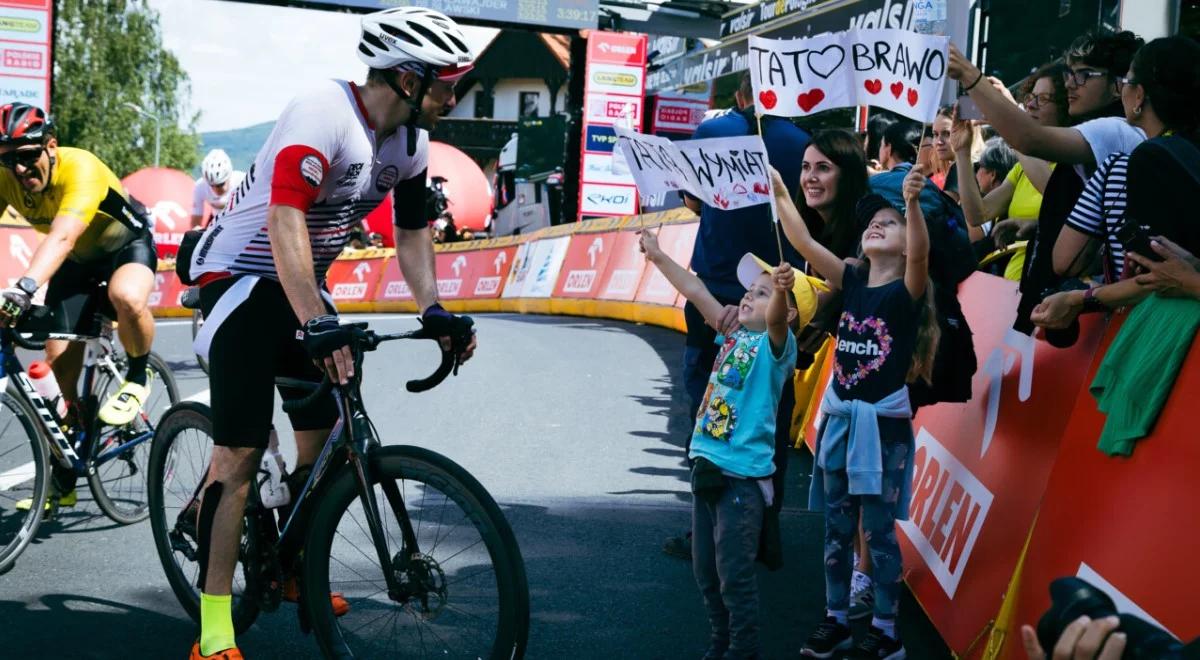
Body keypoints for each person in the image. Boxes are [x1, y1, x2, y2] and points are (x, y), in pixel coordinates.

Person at [180, 8, 478, 659]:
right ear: (405, 77)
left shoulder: (410, 144)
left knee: (332, 428)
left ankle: (290, 567)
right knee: (240, 457)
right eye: (446, 83)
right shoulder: (324, 112)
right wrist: (318, 320)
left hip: (296, 287)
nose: (454, 97)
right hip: (235, 279)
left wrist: (433, 310)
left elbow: (410, 233)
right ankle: (214, 631)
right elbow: (286, 221)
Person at [775, 162, 937, 659]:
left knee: (879, 531)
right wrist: (779, 191)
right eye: (873, 220)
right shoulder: (850, 279)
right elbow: (802, 241)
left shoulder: (907, 290)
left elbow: (923, 254)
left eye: (890, 223)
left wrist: (911, 202)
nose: (876, 224)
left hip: (883, 430)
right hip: (842, 422)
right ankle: (837, 618)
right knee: (836, 530)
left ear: (908, 243)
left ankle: (886, 629)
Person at [640, 225, 807, 660]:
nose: (749, 296)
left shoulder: (778, 349)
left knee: (735, 575)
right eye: (750, 289)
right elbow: (696, 289)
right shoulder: (732, 334)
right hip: (707, 471)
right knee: (705, 572)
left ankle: (743, 649)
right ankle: (720, 641)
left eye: (763, 293)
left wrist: (784, 292)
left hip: (743, 484)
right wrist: (657, 256)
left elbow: (776, 320)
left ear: (788, 314)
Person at [664, 71, 810, 561]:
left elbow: (690, 200)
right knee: (771, 411)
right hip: (777, 295)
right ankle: (764, 529)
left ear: (744, 96)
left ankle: (705, 528)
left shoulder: (712, 133)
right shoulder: (803, 145)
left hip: (716, 288)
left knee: (707, 407)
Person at [0, 103, 158, 510]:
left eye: (27, 156)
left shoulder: (80, 168)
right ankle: (64, 477)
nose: (18, 169)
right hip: (76, 265)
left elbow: (63, 237)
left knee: (126, 297)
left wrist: (24, 289)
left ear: (51, 146)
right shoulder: (6, 177)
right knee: (54, 381)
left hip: (124, 247)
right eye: (7, 159)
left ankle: (138, 375)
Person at [1032, 36, 1200, 330]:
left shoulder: (1147, 160)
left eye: (1127, 81)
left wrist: (1077, 300)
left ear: (1140, 96)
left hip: (1168, 333)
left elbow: (1154, 277)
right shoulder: (1182, 153)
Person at [190, 149, 246, 229]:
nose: (216, 190)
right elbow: (196, 219)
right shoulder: (200, 186)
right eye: (212, 185)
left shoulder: (242, 181)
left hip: (240, 218)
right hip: (216, 218)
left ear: (229, 176)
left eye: (220, 184)